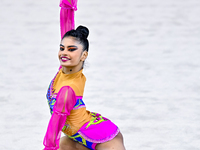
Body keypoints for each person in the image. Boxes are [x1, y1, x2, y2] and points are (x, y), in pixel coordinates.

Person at [43, 1, 126, 150]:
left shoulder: (69, 89)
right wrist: (67, 6)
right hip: (76, 138)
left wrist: (49, 148)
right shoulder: (64, 70)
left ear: (84, 55)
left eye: (71, 49)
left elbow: (55, 124)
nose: (64, 53)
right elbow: (67, 29)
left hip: (104, 139)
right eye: (62, 48)